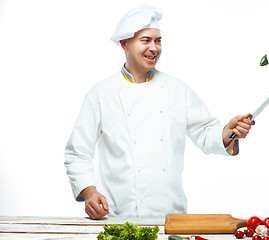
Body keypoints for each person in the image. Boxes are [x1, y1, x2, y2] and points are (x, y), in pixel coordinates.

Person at [64, 3, 254, 220]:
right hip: (117, 216)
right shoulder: (101, 93)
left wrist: (228, 132)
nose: (154, 48)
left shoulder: (177, 90)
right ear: (124, 44)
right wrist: (89, 192)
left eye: (158, 41)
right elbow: (77, 152)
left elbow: (205, 132)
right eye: (146, 40)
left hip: (171, 217)